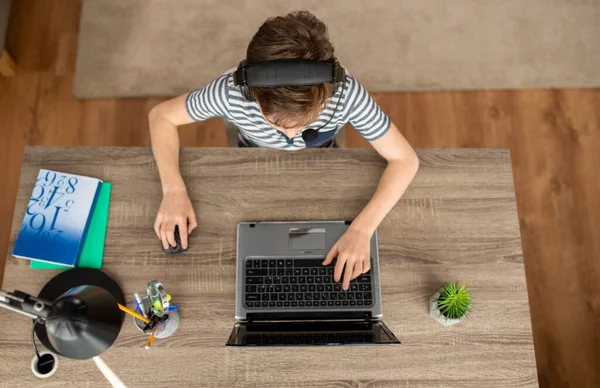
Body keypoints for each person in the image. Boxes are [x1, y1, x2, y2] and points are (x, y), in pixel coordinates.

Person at [148, 11, 419, 291]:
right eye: (277, 123)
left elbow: (405, 159)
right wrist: (173, 191)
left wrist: (362, 230)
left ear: (329, 91)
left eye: (305, 122)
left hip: (323, 162)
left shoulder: (346, 94)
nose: (290, 135)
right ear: (250, 92)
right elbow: (161, 116)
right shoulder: (228, 93)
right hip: (253, 161)